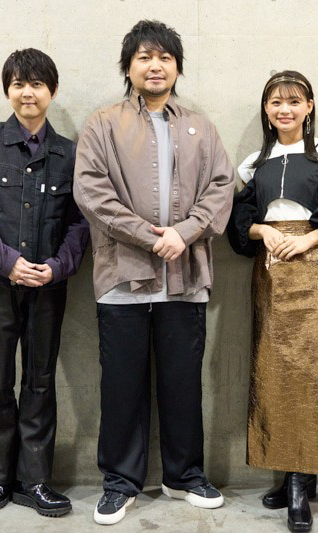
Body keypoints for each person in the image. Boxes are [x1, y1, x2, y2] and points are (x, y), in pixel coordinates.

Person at [73, 20, 235, 526]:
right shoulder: (103, 124)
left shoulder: (200, 126)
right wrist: (152, 236)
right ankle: (120, 483)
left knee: (183, 384)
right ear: (128, 68)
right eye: (144, 57)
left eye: (165, 57)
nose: (155, 65)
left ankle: (183, 476)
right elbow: (92, 193)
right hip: (123, 277)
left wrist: (183, 233)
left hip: (185, 277)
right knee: (122, 386)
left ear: (178, 68)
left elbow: (222, 186)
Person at [0, 48, 89, 517]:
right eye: (18, 84)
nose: (28, 93)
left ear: (53, 91)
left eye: (37, 84)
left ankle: (36, 481)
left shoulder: (69, 153)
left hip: (47, 286)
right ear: (7, 90)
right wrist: (8, 263)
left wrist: (59, 267)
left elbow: (80, 223)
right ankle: (2, 480)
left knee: (40, 381)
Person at [227, 70, 318, 533]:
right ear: (266, 110)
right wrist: (262, 230)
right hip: (270, 273)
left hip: (315, 270)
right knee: (275, 373)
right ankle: (292, 476)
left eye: (293, 101)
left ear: (309, 107)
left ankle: (301, 483)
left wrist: (309, 239)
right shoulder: (253, 163)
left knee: (313, 372)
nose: (284, 109)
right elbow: (238, 223)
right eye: (275, 102)